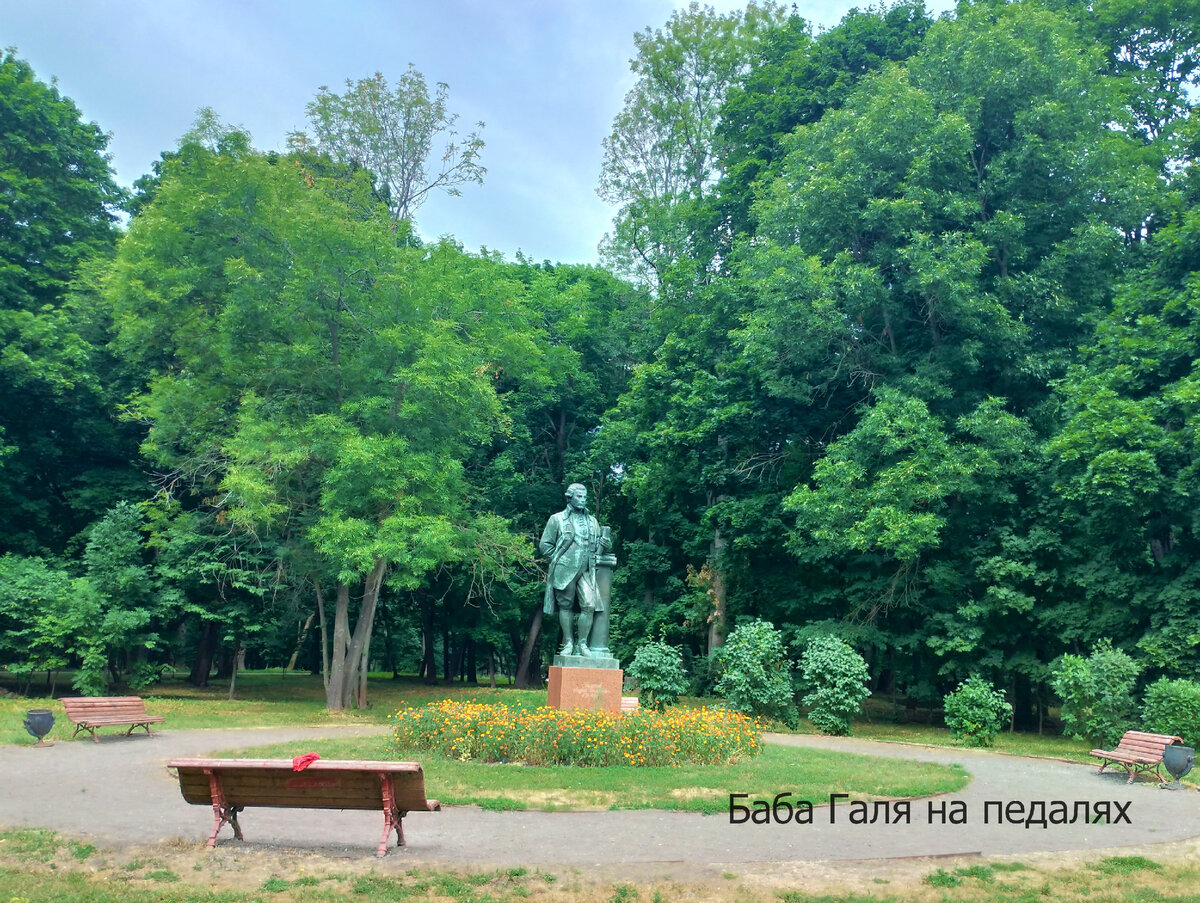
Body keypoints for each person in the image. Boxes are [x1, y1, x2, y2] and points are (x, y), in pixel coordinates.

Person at [540, 483, 611, 656]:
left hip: (587, 571)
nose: (583, 500)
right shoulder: (557, 519)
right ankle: (569, 643)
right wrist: (559, 560)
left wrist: (606, 545)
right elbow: (544, 545)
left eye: (585, 497)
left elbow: (599, 548)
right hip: (565, 571)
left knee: (589, 604)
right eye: (579, 496)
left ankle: (582, 644)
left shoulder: (592, 521)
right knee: (566, 605)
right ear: (569, 497)